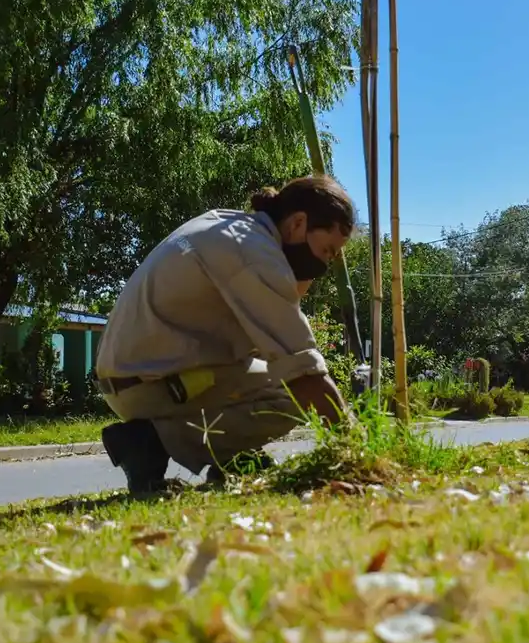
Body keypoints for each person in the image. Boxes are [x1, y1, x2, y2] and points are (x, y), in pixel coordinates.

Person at [94, 175, 355, 496]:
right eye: (327, 250)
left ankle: (232, 458)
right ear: (298, 223)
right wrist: (356, 446)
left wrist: (299, 277)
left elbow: (272, 333)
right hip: (148, 384)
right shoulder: (254, 254)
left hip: (136, 374)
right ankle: (150, 441)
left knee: (271, 371)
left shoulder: (231, 227)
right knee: (292, 394)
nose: (324, 265)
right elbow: (302, 370)